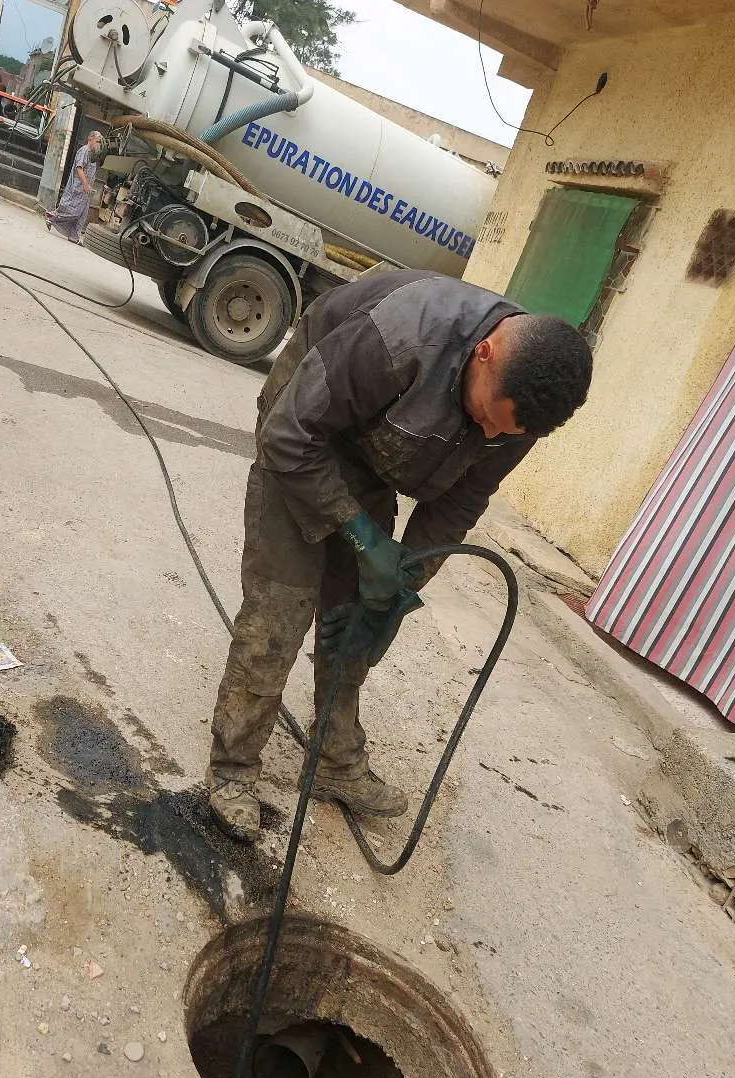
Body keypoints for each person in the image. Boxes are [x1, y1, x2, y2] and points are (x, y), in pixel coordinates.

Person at [205, 268, 593, 842]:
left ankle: (334, 762)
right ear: (484, 353)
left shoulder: (520, 411)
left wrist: (402, 581)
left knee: (355, 616)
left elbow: (460, 503)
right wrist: (363, 537)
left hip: (371, 457)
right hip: (305, 432)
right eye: (484, 415)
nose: (486, 432)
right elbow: (289, 436)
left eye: (499, 431)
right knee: (277, 615)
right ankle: (233, 767)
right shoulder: (401, 335)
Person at [46, 131, 104, 244]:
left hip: (85, 191)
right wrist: (85, 185)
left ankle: (74, 236)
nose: (98, 145)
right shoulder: (84, 151)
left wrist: (89, 186)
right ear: (90, 139)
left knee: (82, 215)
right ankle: (52, 216)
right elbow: (79, 168)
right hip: (78, 187)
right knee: (74, 212)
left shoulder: (93, 155)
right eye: (97, 141)